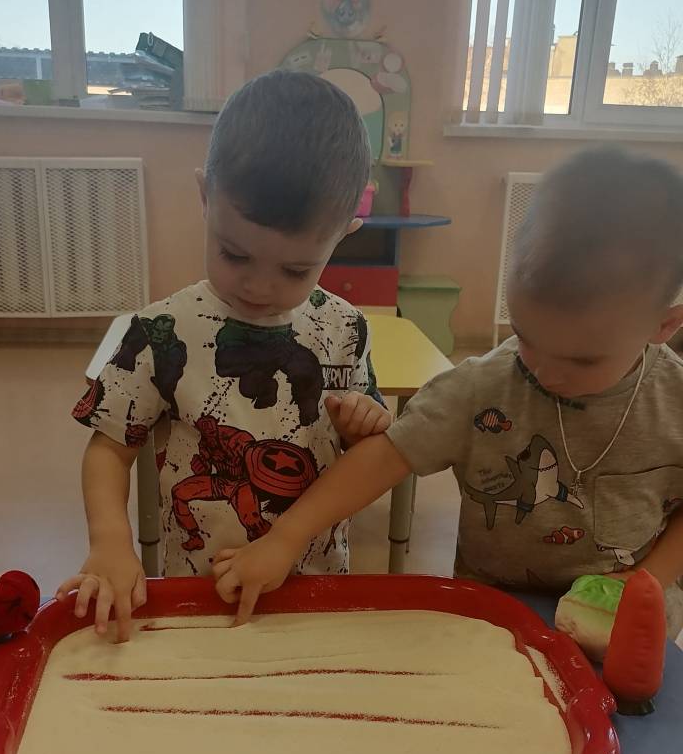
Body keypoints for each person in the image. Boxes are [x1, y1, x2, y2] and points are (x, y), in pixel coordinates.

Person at [214, 147, 683, 633]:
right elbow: (385, 456)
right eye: (525, 336)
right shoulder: (480, 387)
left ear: (665, 325)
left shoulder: (675, 399)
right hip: (493, 613)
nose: (544, 371)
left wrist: (650, 578)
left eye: (582, 360)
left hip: (629, 618)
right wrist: (285, 538)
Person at [59, 70, 392, 638]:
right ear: (205, 198)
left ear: (344, 234)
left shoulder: (345, 328)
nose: (259, 286)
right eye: (235, 255)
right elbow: (109, 448)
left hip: (312, 586)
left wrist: (363, 427)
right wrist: (111, 542)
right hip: (198, 588)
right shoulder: (157, 331)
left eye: (295, 269)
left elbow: (371, 449)